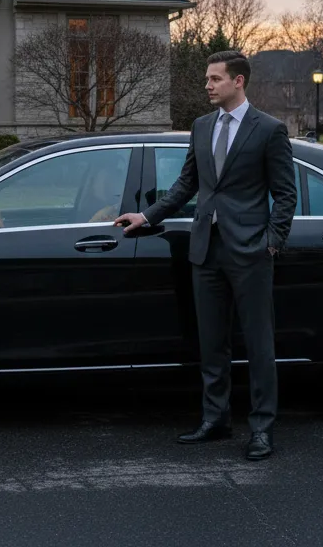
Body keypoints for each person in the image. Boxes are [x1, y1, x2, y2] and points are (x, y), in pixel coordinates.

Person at [116, 50, 297, 460]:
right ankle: (215, 420)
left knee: (259, 344)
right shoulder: (200, 127)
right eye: (207, 79)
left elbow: (286, 195)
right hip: (205, 250)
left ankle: (262, 429)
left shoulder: (269, 130)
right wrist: (146, 215)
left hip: (251, 251)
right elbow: (186, 185)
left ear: (239, 82)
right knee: (212, 343)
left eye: (215, 79)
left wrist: (271, 240)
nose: (207, 85)